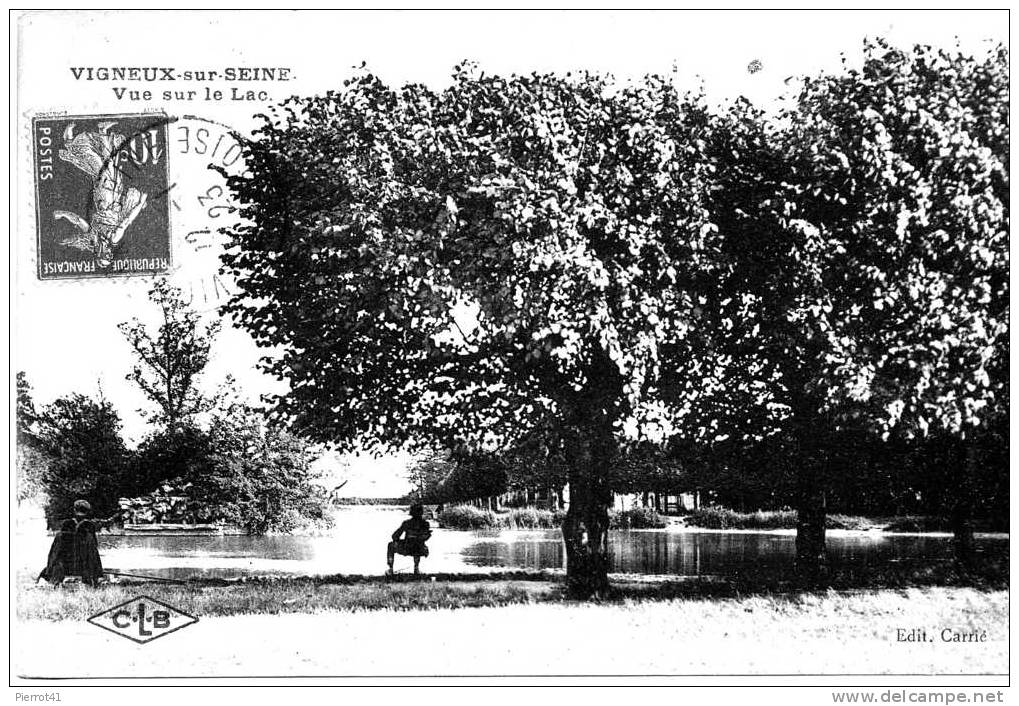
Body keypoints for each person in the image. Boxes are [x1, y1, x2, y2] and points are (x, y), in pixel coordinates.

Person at [39, 500, 116, 587]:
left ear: (74, 510)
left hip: (66, 566)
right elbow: (94, 550)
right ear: (87, 512)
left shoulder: (66, 524)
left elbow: (56, 550)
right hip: (84, 567)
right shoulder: (89, 526)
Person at [387, 504, 432, 575]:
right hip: (421, 549)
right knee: (418, 544)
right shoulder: (426, 524)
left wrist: (398, 540)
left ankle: (390, 569)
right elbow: (426, 537)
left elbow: (394, 536)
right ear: (421, 513)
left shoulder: (406, 523)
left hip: (407, 548)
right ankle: (416, 568)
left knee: (390, 545)